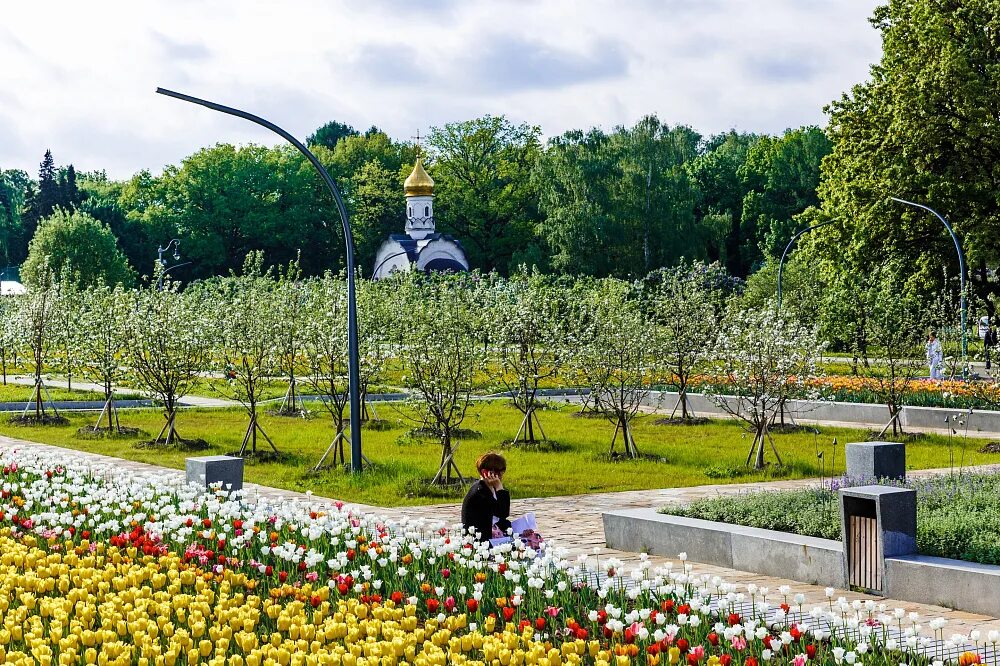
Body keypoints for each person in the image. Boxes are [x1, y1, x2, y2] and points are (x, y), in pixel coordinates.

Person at [461, 452, 510, 543]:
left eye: (503, 471)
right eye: (497, 472)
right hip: (481, 541)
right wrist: (500, 488)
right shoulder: (480, 492)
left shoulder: (491, 487)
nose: (501, 475)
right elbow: (502, 512)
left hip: (492, 533)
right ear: (485, 472)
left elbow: (502, 517)